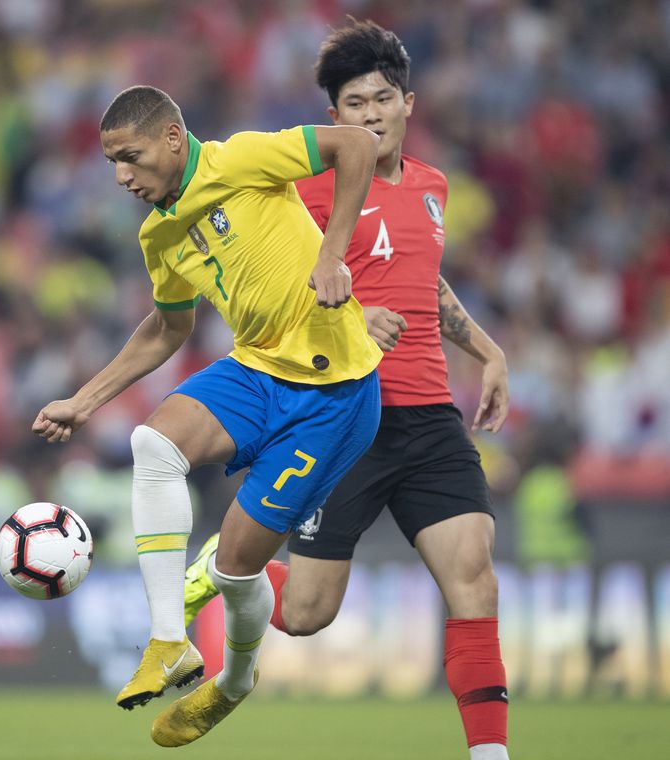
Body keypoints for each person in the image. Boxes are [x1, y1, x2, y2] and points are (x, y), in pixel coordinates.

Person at [182, 20, 512, 760]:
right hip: (342, 414)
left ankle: (490, 755)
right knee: (303, 615)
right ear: (335, 118)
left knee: (476, 581)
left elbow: (425, 281)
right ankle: (232, 558)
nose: (371, 114)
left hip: (429, 417)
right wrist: (357, 315)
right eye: (355, 104)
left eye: (382, 99)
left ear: (408, 103)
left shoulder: (432, 187)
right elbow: (272, 283)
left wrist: (487, 350)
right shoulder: (304, 189)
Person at [32, 85, 382, 746]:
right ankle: (169, 640)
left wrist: (332, 253)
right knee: (153, 444)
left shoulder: (242, 160)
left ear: (171, 137)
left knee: (233, 569)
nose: (120, 176)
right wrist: (84, 401)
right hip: (255, 369)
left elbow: (357, 145)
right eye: (111, 163)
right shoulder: (159, 232)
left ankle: (236, 680)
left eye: (129, 157)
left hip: (333, 393)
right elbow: (168, 330)